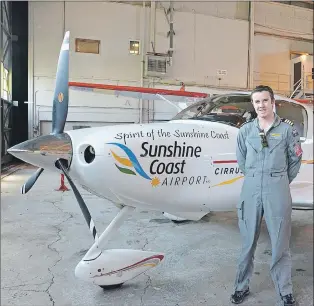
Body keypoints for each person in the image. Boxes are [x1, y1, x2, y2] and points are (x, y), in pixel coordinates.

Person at [230, 85, 302, 306]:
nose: (261, 105)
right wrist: (255, 177)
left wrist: (278, 180)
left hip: (277, 187)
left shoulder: (287, 130)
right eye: (256, 102)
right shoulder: (245, 131)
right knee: (247, 243)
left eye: (264, 101)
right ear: (253, 105)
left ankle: (285, 291)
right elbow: (241, 160)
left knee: (280, 242)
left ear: (273, 103)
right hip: (251, 188)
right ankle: (241, 287)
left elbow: (295, 160)